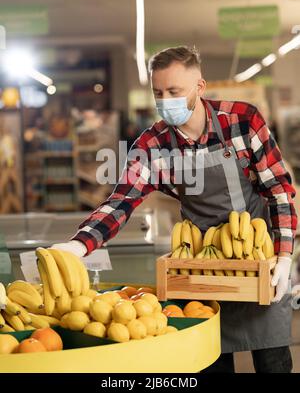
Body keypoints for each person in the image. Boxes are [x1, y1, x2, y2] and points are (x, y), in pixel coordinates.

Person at [52, 46, 297, 373]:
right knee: (210, 361)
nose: (165, 100)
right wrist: (80, 243)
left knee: (273, 363)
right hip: (198, 267)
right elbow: (122, 200)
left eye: (174, 91)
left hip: (257, 260)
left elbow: (279, 189)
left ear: (200, 87)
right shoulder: (152, 146)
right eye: (158, 92)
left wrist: (282, 257)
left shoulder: (242, 121)